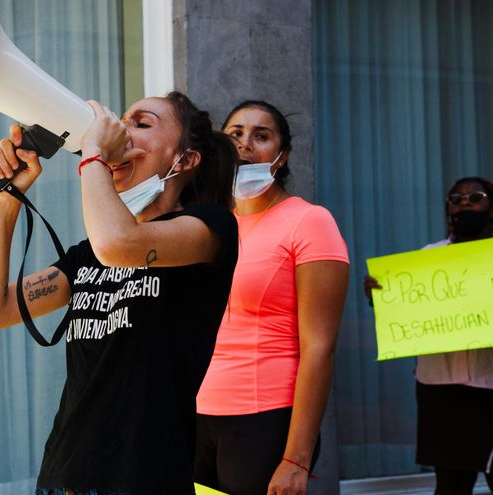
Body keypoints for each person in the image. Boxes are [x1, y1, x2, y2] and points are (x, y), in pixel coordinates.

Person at [0, 92, 239, 494]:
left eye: (141, 124)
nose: (121, 132)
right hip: (64, 474)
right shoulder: (89, 254)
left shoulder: (210, 227)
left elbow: (118, 244)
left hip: (142, 476)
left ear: (186, 159)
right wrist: (6, 200)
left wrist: (93, 150)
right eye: (121, 121)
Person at [364, 177, 493, 495]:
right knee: (451, 485)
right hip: (443, 390)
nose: (465, 204)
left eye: (475, 197)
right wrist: (382, 294)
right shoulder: (427, 259)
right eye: (456, 199)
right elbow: (410, 314)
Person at [193, 101, 349, 495]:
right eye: (236, 134)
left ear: (282, 157)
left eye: (261, 136)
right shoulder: (207, 223)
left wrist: (296, 458)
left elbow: (320, 346)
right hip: (195, 413)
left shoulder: (309, 221)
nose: (245, 144)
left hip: (264, 418)